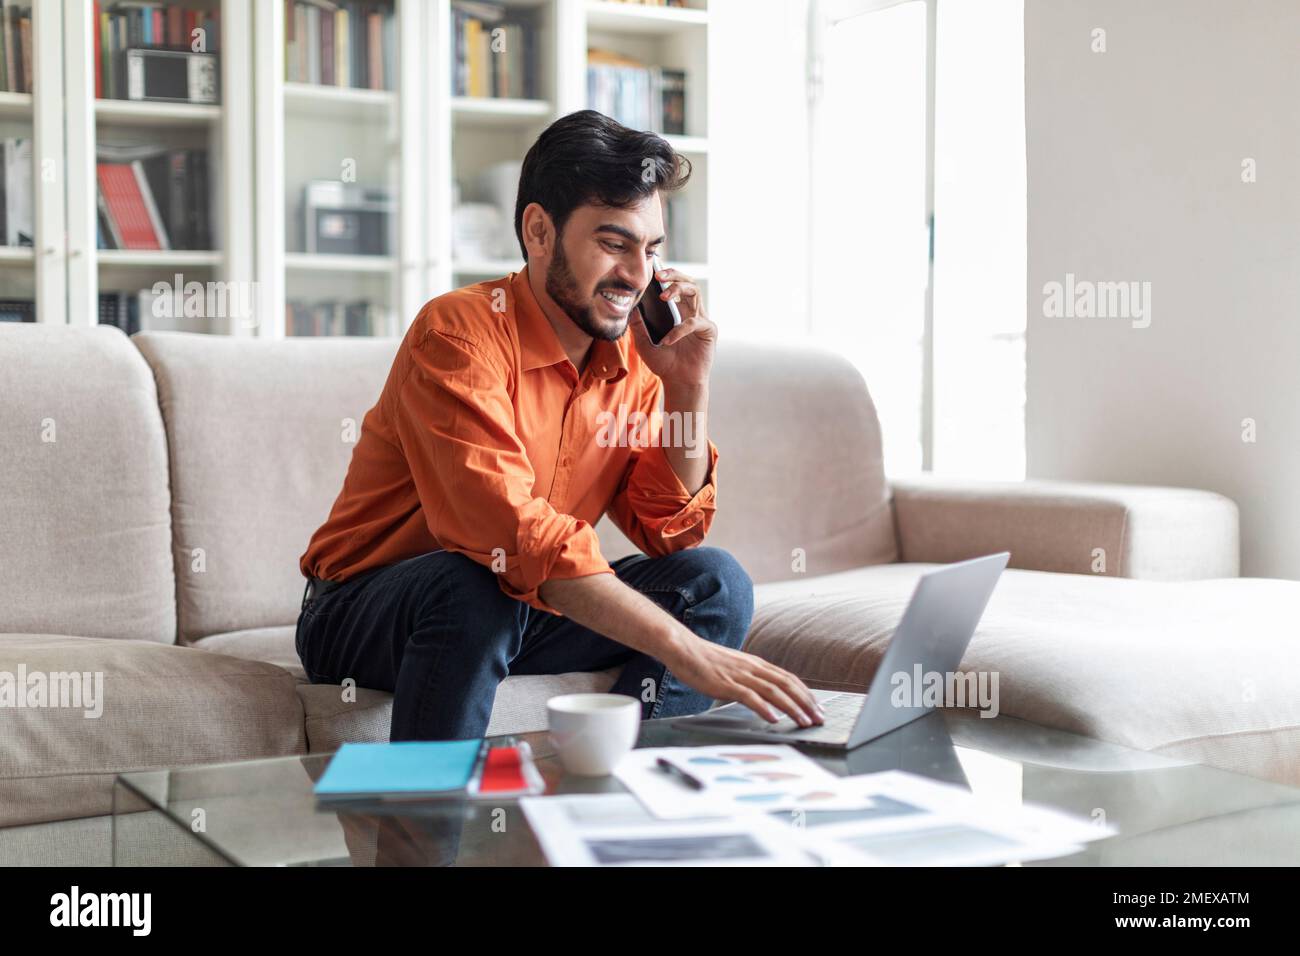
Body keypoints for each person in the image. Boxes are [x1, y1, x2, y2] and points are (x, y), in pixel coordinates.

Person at [296, 109, 824, 741]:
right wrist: (688, 653)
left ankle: (626, 795)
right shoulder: (458, 334)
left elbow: (667, 532)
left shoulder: (632, 356)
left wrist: (686, 386)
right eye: (613, 243)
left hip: (521, 607)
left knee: (716, 584)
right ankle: (429, 820)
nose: (637, 275)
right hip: (363, 611)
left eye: (650, 249)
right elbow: (507, 533)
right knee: (474, 583)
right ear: (539, 231)